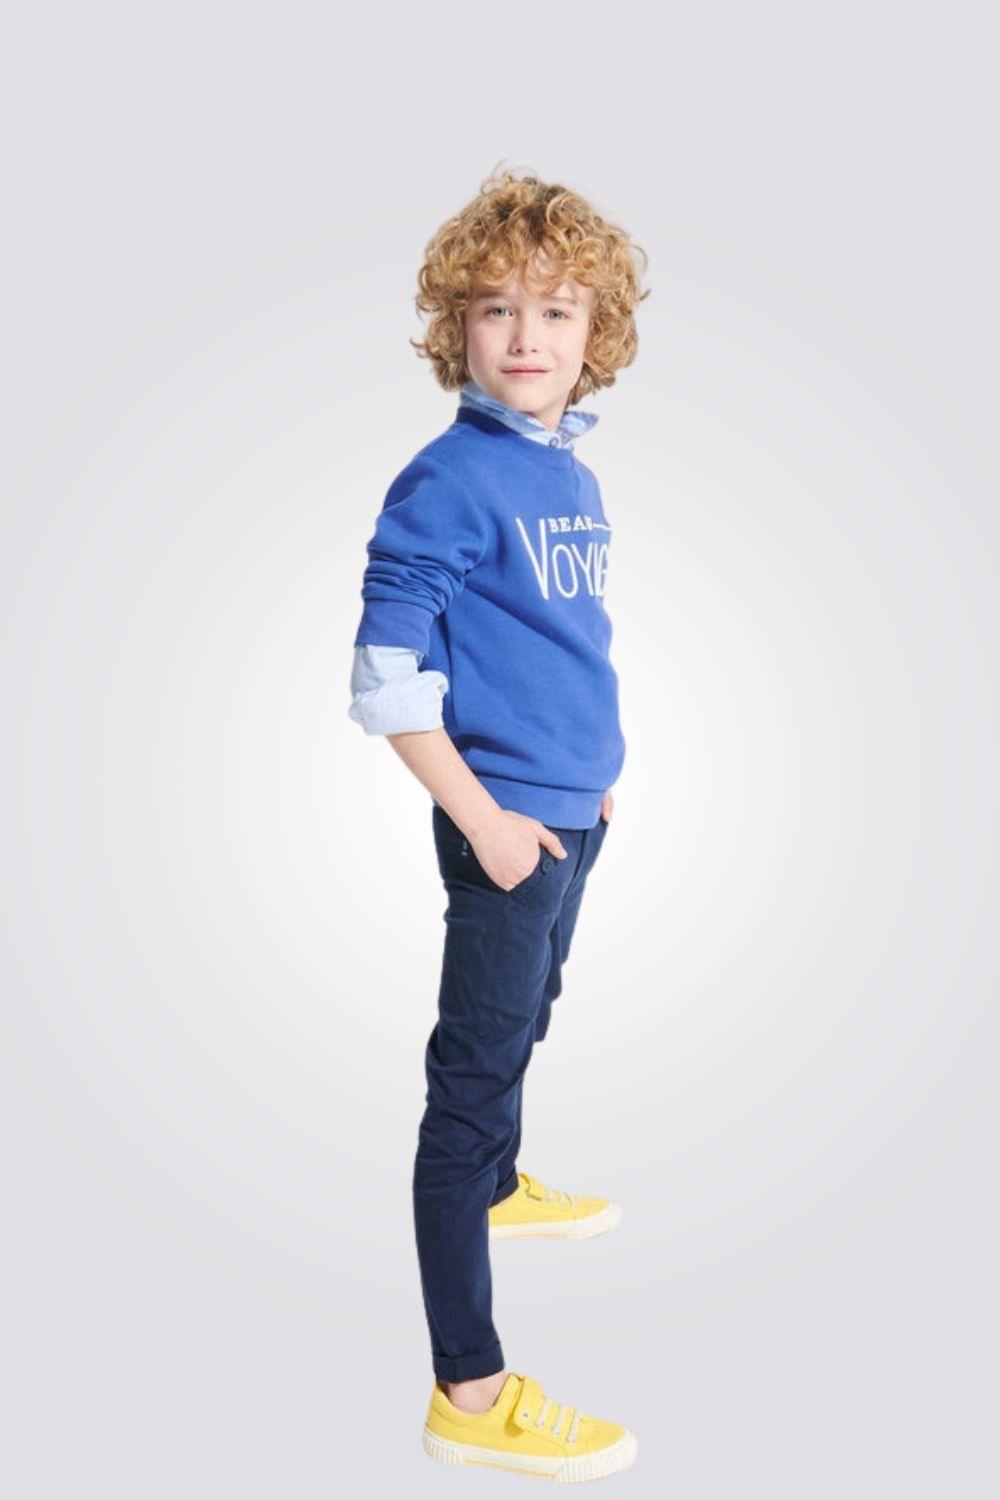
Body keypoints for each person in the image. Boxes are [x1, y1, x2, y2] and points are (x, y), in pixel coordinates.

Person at [348, 164, 649, 1483]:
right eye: (496, 309)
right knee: (467, 1091)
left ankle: (502, 1189)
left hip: (573, 810)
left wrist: (589, 771)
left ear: (596, 336)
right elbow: (385, 677)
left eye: (557, 311)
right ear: (455, 329)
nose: (528, 337)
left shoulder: (565, 470)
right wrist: (487, 822)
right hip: (507, 829)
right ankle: (468, 1389)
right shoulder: (451, 479)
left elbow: (564, 637)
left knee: (530, 1017)